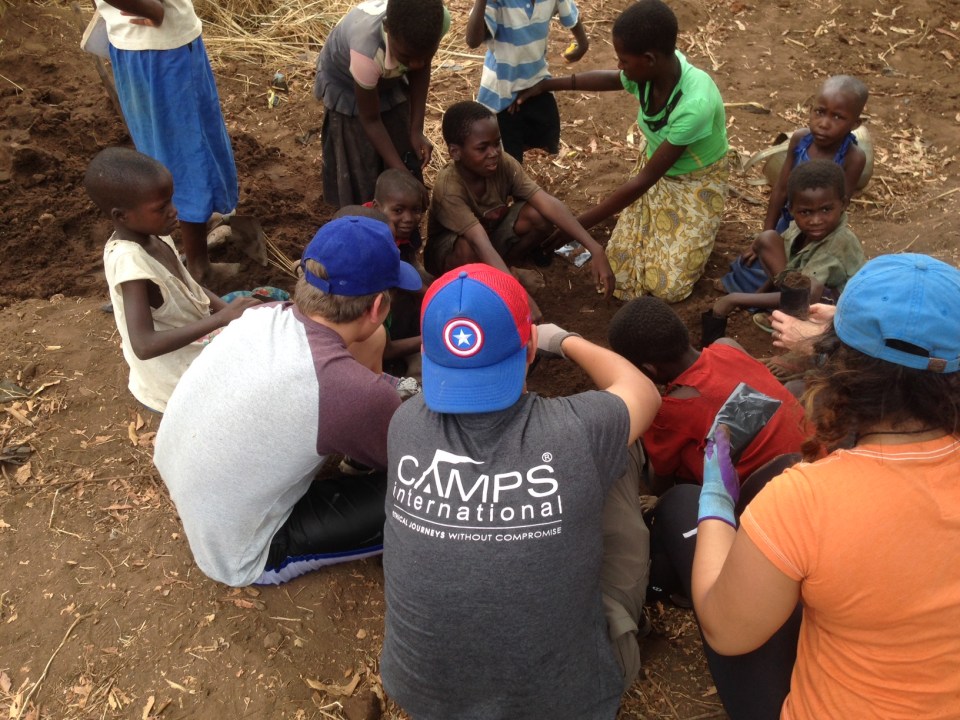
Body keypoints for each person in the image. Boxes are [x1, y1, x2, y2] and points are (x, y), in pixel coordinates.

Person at [381, 264, 662, 719]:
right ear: (527, 348)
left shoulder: (405, 425)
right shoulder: (577, 430)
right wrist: (561, 339)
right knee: (623, 453)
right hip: (565, 704)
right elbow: (642, 391)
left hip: (423, 696)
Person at [691, 253, 960, 719]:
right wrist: (855, 336)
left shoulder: (802, 500)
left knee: (681, 512)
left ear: (836, 365)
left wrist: (714, 497)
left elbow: (727, 632)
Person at [153, 216, 423, 587]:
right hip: (245, 553)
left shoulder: (259, 317)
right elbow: (416, 460)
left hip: (199, 496)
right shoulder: (347, 389)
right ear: (377, 307)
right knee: (427, 494)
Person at [516, 0, 729, 302]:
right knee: (623, 270)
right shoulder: (653, 71)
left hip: (693, 181)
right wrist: (549, 85)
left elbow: (643, 182)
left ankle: (701, 226)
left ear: (649, 59)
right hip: (654, 168)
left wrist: (575, 228)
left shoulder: (695, 104)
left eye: (624, 60)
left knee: (669, 288)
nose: (619, 66)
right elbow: (611, 79)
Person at [84, 147, 260, 413]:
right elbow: (143, 345)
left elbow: (190, 286)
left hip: (195, 340)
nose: (174, 211)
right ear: (121, 216)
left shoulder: (153, 235)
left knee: (262, 303)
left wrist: (229, 315)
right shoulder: (131, 264)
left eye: (171, 201)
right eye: (161, 207)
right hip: (177, 385)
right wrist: (221, 320)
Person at [424, 100, 615, 319]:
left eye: (497, 143)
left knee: (539, 215)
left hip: (489, 240)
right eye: (482, 148)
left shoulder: (503, 164)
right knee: (468, 249)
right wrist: (521, 297)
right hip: (453, 255)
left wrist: (594, 248)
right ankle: (503, 279)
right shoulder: (449, 188)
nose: (494, 152)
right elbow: (478, 243)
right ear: (455, 152)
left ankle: (506, 268)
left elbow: (546, 202)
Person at [95, 0, 240, 283]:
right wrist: (152, 10)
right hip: (159, 50)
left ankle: (194, 226)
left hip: (149, 44)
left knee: (172, 147)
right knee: (185, 154)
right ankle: (199, 267)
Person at [608, 296, 805, 494]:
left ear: (650, 369)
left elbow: (662, 480)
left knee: (672, 453)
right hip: (812, 458)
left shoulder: (670, 409)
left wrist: (656, 496)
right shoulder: (728, 346)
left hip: (768, 499)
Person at [723, 75, 868, 294]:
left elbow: (840, 205)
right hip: (789, 227)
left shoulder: (853, 157)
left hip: (820, 233)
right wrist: (764, 235)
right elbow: (781, 189)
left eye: (837, 117)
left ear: (855, 124)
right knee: (753, 263)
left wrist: (809, 240)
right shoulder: (801, 139)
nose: (824, 123)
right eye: (820, 112)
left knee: (808, 282)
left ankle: (780, 296)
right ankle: (774, 293)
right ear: (811, 108)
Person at [706, 160, 865, 345]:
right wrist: (754, 301)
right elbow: (788, 269)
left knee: (810, 289)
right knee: (768, 239)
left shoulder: (837, 243)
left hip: (835, 305)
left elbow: (807, 294)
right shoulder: (798, 230)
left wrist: (736, 299)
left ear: (843, 204)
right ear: (792, 210)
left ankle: (794, 323)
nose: (815, 220)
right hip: (802, 286)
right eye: (805, 212)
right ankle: (777, 307)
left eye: (826, 210)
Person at [314, 0, 448, 208]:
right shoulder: (366, 51)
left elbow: (420, 67)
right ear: (387, 29)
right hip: (347, 85)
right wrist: (402, 176)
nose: (415, 64)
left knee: (401, 140)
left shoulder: (433, 25)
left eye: (425, 55)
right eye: (407, 57)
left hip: (386, 74)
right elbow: (370, 119)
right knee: (362, 160)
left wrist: (416, 130)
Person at [465, 0, 589, 163]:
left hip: (537, 81)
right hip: (502, 94)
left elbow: (568, 9)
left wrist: (583, 43)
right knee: (509, 160)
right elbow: (473, 41)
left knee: (546, 148)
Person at [369, 168, 431, 284]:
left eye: (416, 210)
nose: (409, 219)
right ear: (377, 208)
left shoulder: (407, 230)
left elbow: (410, 263)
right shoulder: (368, 237)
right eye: (398, 210)